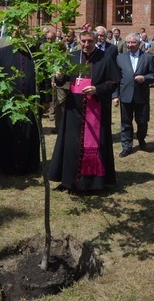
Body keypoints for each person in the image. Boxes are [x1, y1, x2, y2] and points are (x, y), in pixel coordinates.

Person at [48, 30, 120, 192]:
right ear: (79, 41)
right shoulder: (72, 56)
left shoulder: (105, 57)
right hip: (74, 108)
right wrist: (58, 77)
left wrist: (97, 89)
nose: (87, 45)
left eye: (90, 41)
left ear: (95, 41)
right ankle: (68, 181)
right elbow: (62, 80)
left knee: (95, 143)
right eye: (84, 41)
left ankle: (93, 183)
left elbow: (114, 82)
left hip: (96, 108)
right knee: (71, 144)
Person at [0, 41, 51, 175]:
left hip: (31, 102)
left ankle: (30, 164)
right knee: (6, 133)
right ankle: (6, 164)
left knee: (30, 133)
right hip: (8, 103)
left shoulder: (37, 53)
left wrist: (46, 99)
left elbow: (45, 78)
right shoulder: (4, 52)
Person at [113, 33, 154, 156]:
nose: (130, 45)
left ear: (139, 43)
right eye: (128, 43)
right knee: (126, 122)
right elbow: (115, 79)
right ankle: (127, 146)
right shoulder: (120, 58)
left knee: (142, 121)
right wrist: (115, 96)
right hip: (125, 95)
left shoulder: (147, 57)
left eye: (133, 43)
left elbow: (153, 76)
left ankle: (141, 139)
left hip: (141, 95)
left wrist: (144, 78)